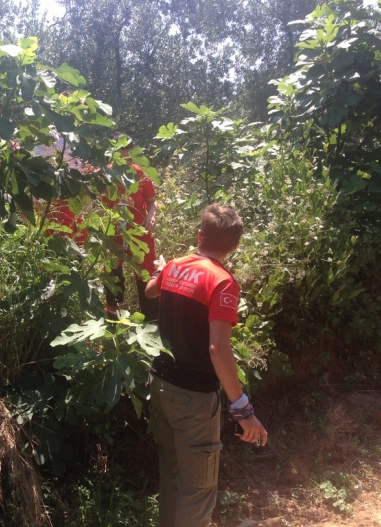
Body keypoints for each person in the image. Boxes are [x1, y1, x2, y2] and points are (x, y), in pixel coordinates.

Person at [145, 203, 268, 527]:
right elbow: (218, 349)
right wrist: (243, 409)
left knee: (171, 477)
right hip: (193, 397)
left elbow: (150, 289)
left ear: (199, 235)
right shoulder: (223, 282)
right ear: (235, 245)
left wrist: (162, 269)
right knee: (197, 490)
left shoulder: (175, 265)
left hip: (159, 384)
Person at [102, 137, 159, 320]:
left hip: (139, 232)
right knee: (113, 274)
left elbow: (152, 202)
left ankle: (151, 319)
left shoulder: (140, 174)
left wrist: (151, 215)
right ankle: (114, 317)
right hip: (113, 232)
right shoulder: (105, 175)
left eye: (129, 159)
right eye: (121, 159)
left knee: (146, 274)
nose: (126, 164)